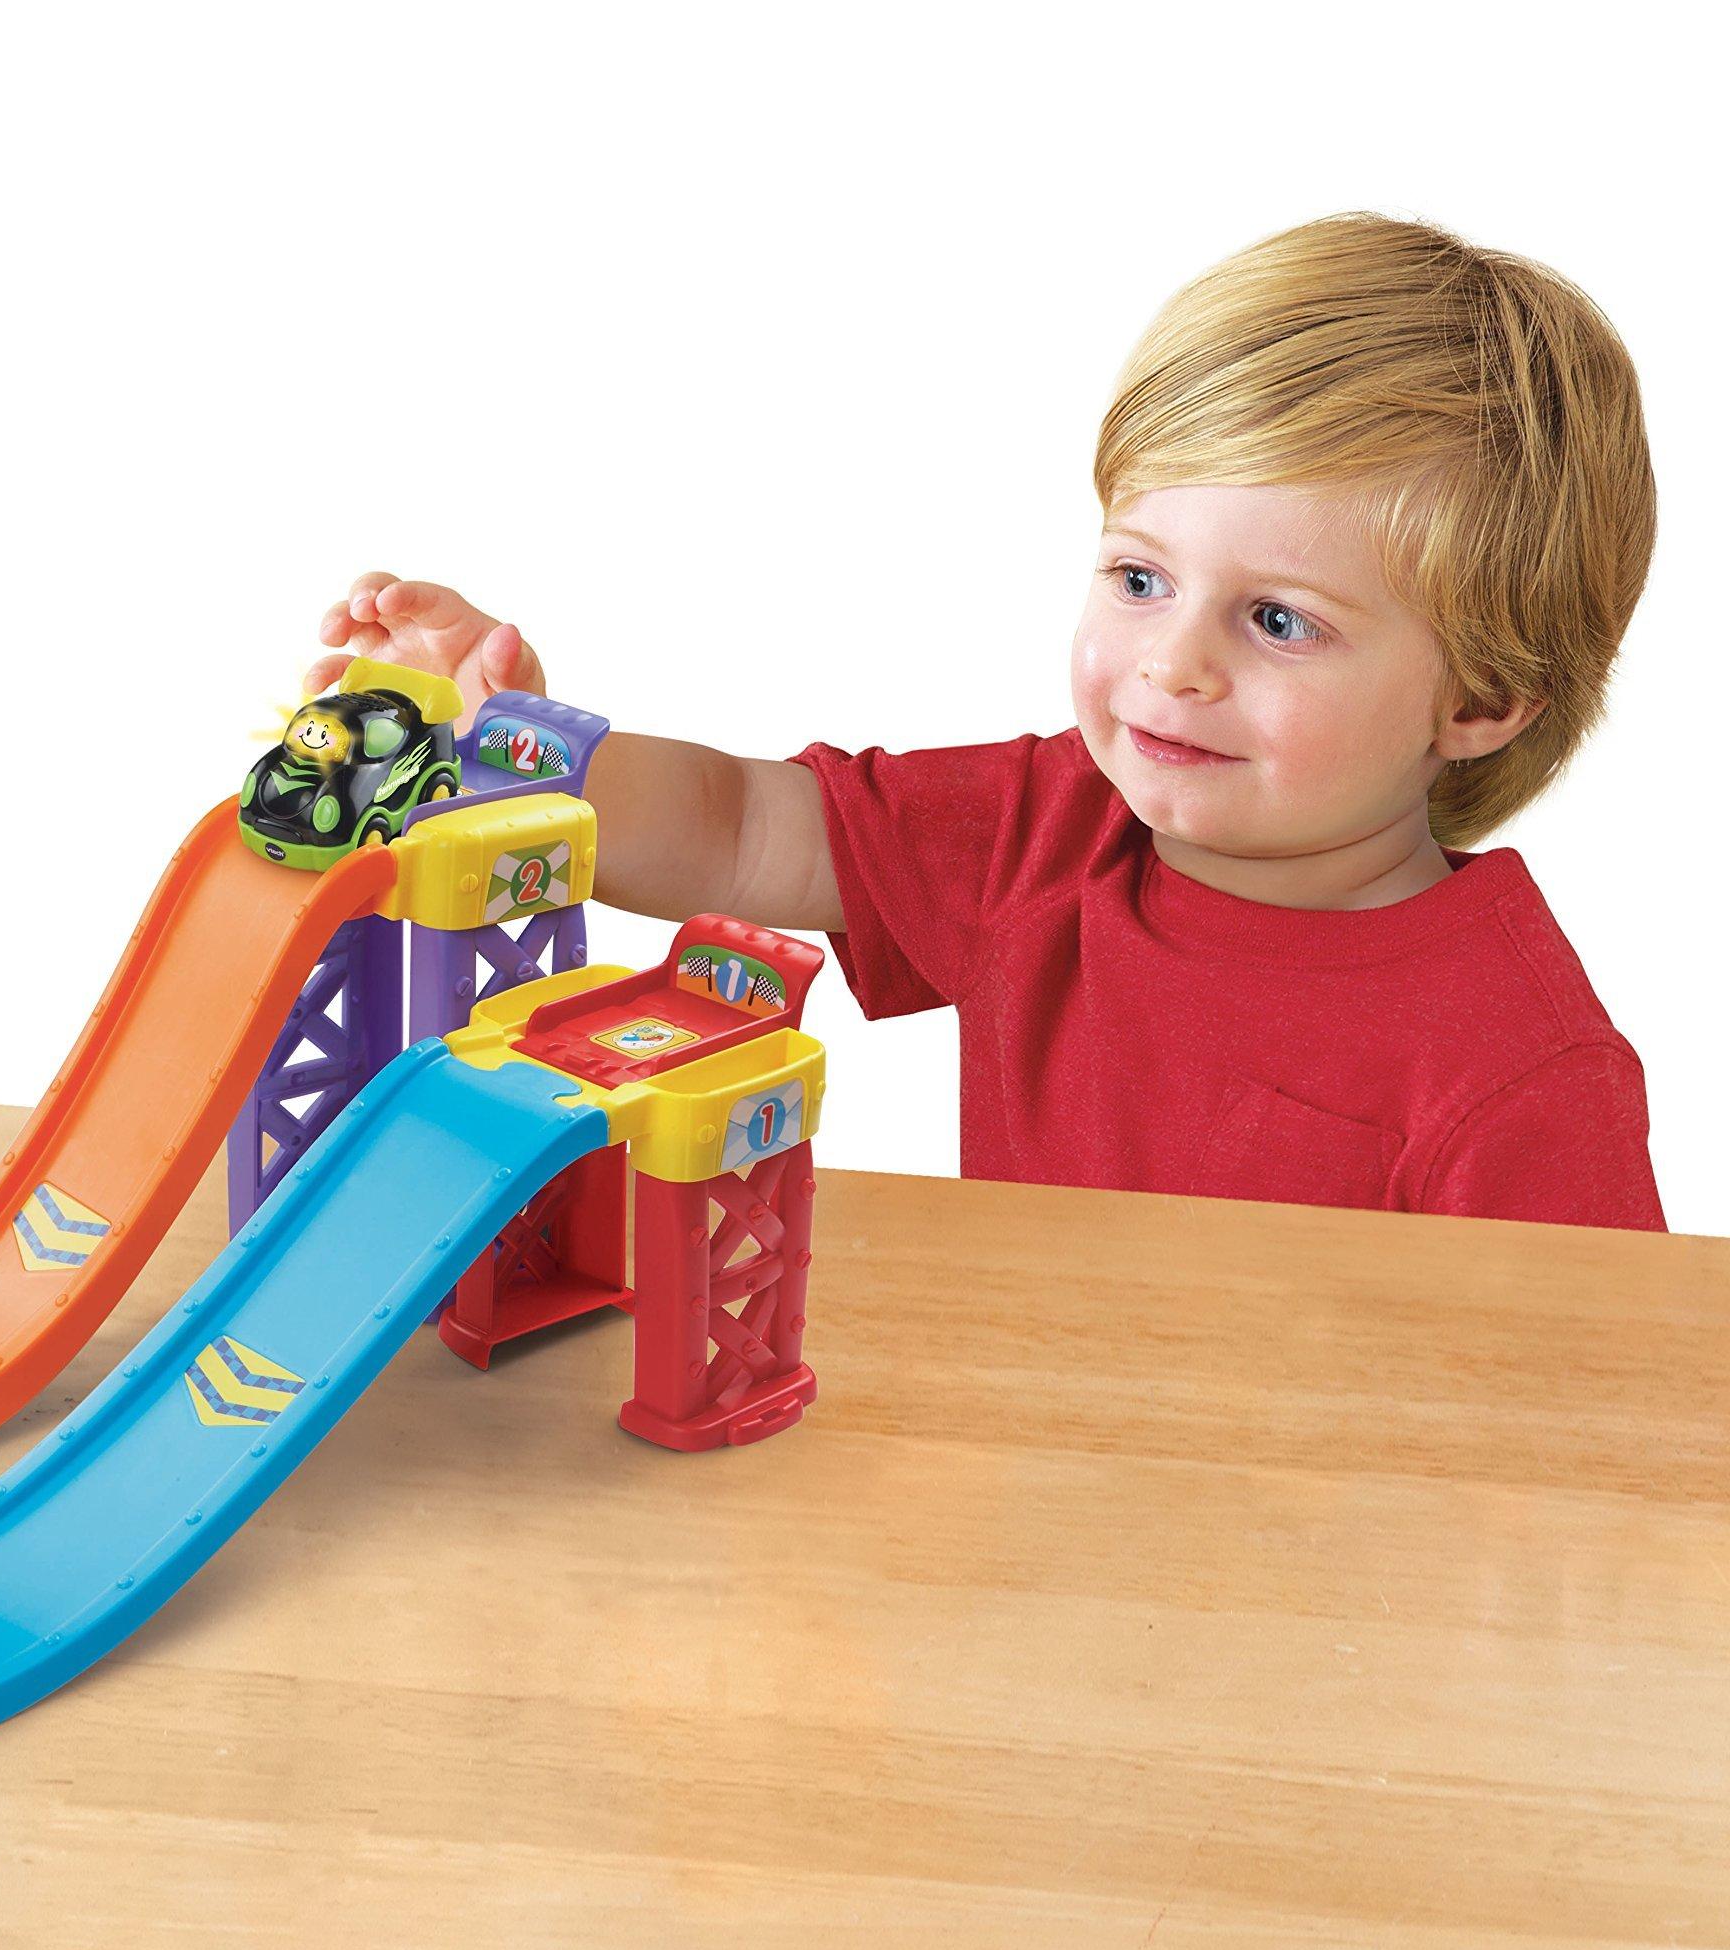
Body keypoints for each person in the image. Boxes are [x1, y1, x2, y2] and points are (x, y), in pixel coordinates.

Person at [308, 213, 1665, 1230]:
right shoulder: (1044, 831)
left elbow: (1591, 1430)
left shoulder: (1523, 1072)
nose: (1173, 664)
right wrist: (505, 744)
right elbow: (739, 826)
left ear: (1480, 701)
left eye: (1278, 620)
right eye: (1141, 579)